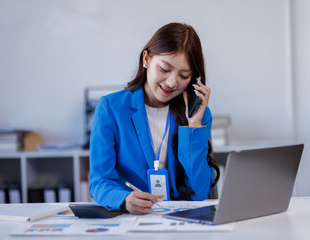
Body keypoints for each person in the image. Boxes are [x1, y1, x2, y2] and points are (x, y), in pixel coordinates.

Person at [89, 22, 219, 215]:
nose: (171, 82)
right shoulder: (111, 108)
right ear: (146, 59)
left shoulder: (198, 115)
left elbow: (199, 193)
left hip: (181, 220)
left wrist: (194, 126)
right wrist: (124, 200)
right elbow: (99, 181)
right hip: (131, 218)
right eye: (165, 69)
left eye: (184, 75)